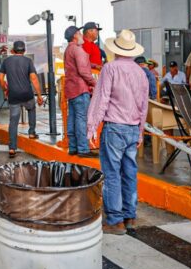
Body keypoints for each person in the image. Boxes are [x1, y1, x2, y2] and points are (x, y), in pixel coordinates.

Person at [87, 30, 149, 235]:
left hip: (114, 127)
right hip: (132, 128)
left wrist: (92, 126)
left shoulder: (110, 68)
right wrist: (140, 131)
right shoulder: (141, 72)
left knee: (112, 174)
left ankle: (115, 221)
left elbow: (102, 98)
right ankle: (129, 216)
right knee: (130, 172)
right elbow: (144, 105)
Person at [0, 40, 43, 158]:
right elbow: (33, 78)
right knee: (31, 108)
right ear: (24, 50)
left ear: (13, 50)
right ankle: (32, 132)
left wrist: (4, 88)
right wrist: (39, 95)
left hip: (13, 96)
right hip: (27, 94)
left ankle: (12, 148)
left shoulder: (6, 61)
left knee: (13, 121)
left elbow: (0, 78)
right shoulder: (28, 61)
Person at [63, 25, 96, 156]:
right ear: (75, 35)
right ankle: (83, 149)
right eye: (80, 33)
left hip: (71, 89)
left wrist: (93, 65)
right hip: (80, 89)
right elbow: (83, 71)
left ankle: (73, 147)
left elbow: (76, 65)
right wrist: (95, 83)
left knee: (72, 118)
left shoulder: (68, 49)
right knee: (82, 119)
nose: (82, 35)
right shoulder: (78, 49)